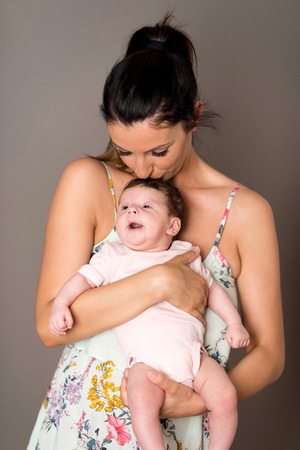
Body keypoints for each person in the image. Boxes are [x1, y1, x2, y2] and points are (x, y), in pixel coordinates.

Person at [28, 14, 284, 450]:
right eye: (126, 151)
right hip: (83, 424)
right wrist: (160, 280)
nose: (141, 169)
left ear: (195, 118)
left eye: (159, 151)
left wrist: (195, 402)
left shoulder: (245, 212)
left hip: (188, 425)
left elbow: (269, 355)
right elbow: (51, 327)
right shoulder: (89, 181)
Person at [48, 178, 250, 450]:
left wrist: (234, 322)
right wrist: (61, 304)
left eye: (145, 206)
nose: (131, 211)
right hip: (145, 364)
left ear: (172, 226)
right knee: (141, 405)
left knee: (225, 397)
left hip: (194, 357)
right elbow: (81, 280)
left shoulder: (186, 254)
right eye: (125, 207)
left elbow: (211, 290)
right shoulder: (113, 255)